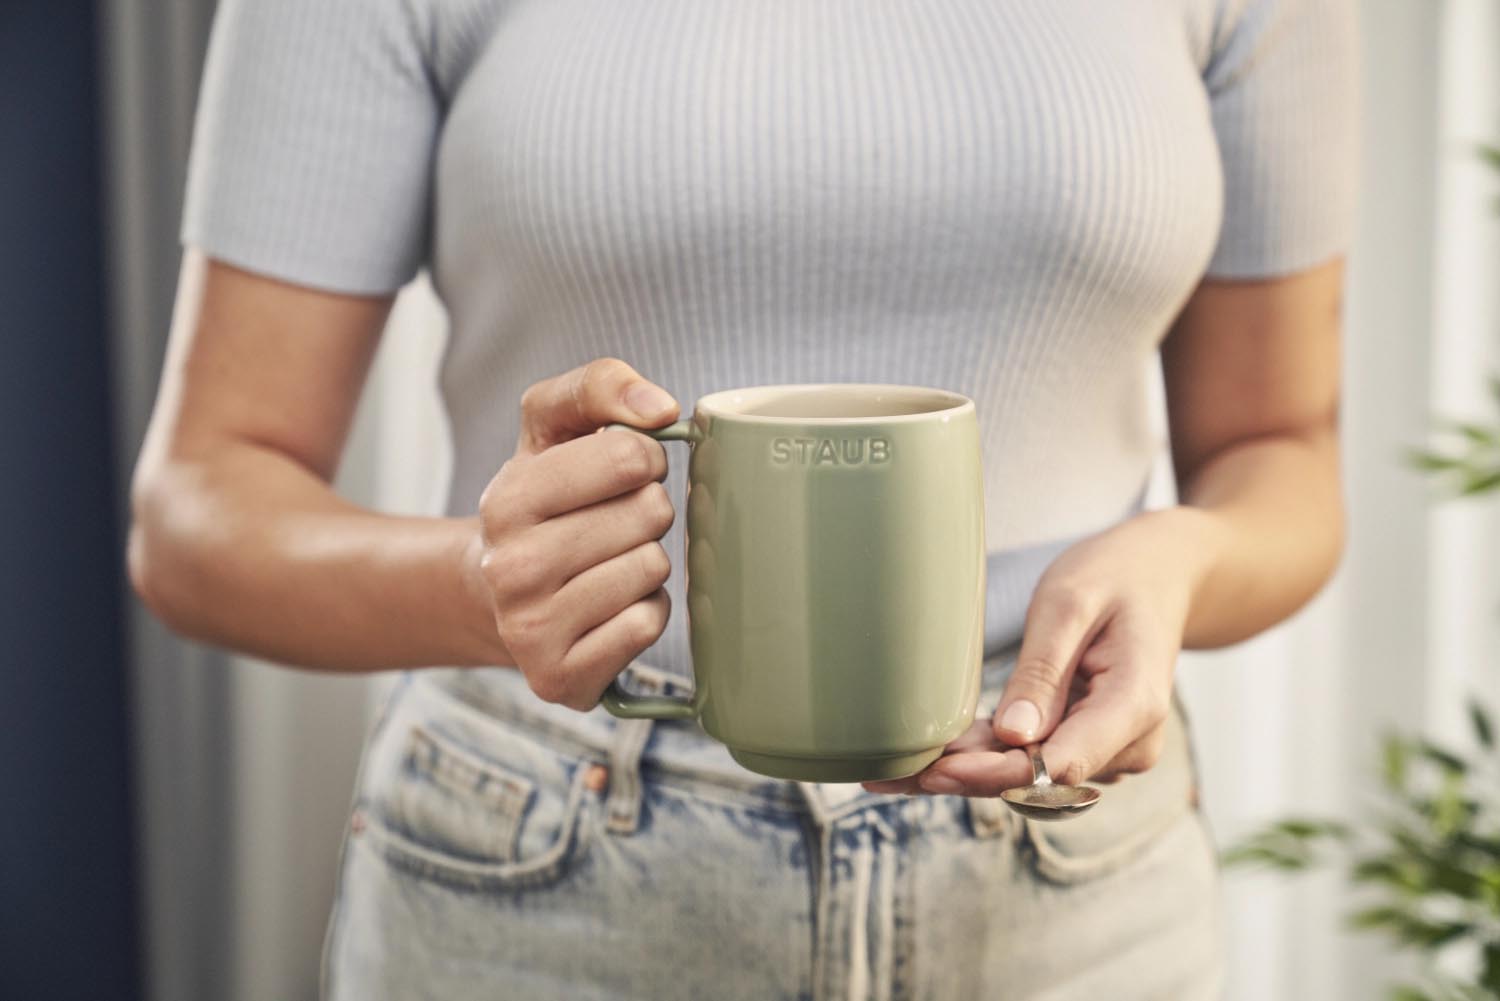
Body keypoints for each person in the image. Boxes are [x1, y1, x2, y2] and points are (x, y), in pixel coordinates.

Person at [129, 0, 1358, 997]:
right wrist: (478, 587)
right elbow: (194, 513)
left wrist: (1177, 559)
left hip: (1072, 891)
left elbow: (1281, 449)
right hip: (536, 881)